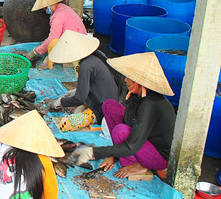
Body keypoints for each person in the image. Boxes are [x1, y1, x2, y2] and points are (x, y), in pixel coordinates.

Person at [67, 52, 176, 180]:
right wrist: (112, 156)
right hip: (143, 139)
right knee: (109, 105)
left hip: (159, 156)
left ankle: (136, 164)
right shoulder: (136, 95)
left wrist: (93, 152)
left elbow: (132, 145)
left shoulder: (150, 104)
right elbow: (128, 122)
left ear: (140, 82)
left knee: (121, 131)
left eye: (129, 77)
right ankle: (121, 154)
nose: (125, 80)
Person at [47, 30, 123, 124]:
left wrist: (60, 102)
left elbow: (79, 99)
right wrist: (75, 92)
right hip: (110, 101)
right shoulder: (96, 55)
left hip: (104, 110)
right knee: (76, 108)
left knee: (66, 123)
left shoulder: (85, 66)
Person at [23, 0, 86, 69]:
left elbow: (52, 39)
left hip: (75, 47)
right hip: (83, 41)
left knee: (52, 45)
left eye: (45, 8)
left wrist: (35, 51)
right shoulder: (63, 7)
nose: (45, 11)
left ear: (50, 5)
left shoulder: (58, 17)